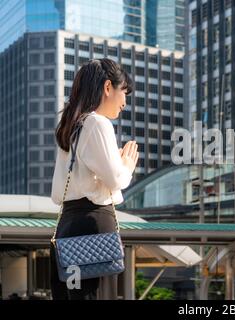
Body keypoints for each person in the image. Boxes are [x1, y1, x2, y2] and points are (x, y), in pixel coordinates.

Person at [50, 58, 138, 300]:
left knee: (73, 294)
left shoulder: (70, 126)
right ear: (108, 88)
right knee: (96, 294)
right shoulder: (98, 123)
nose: (124, 102)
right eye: (124, 93)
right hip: (93, 225)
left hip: (67, 225)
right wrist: (126, 165)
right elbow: (117, 180)